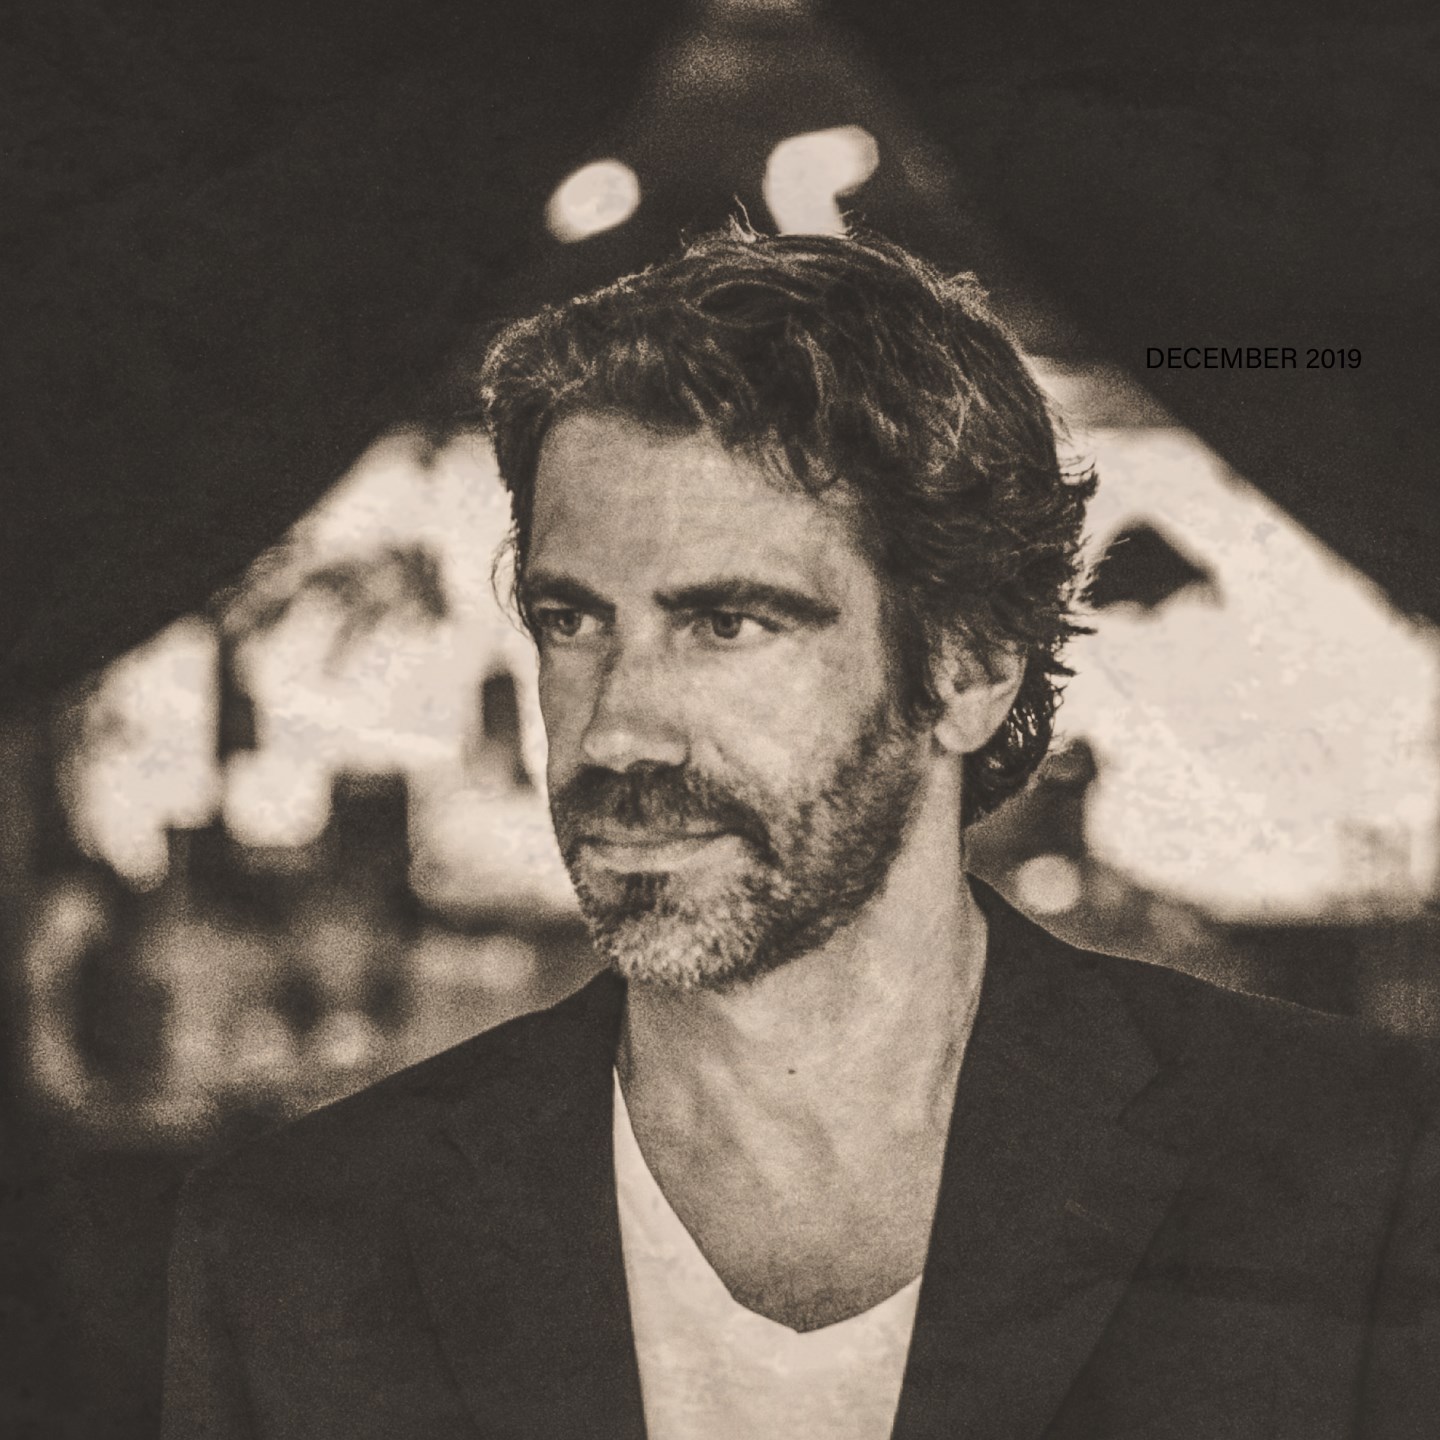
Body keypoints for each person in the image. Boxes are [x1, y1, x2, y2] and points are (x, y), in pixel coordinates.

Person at [162, 226, 1439, 1439]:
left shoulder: (1356, 1179)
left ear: (968, 668)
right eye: (574, 621)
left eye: (728, 623)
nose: (617, 732)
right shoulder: (301, 1245)